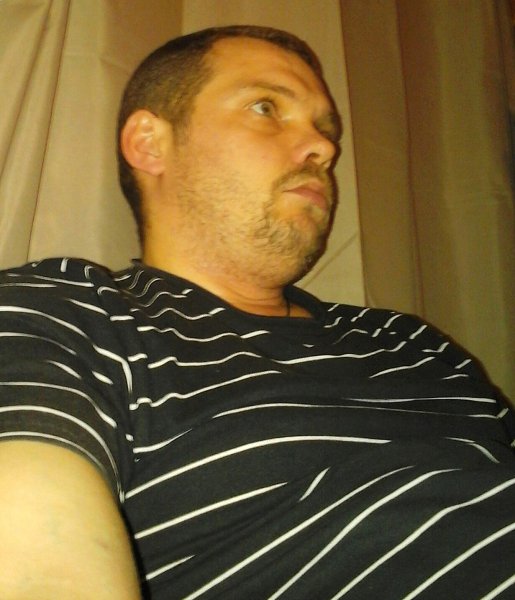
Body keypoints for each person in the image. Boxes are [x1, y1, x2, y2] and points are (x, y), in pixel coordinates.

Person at [0, 24, 513, 600]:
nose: (325, 148)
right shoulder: (67, 312)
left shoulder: (407, 340)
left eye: (324, 129)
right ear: (149, 144)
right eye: (267, 108)